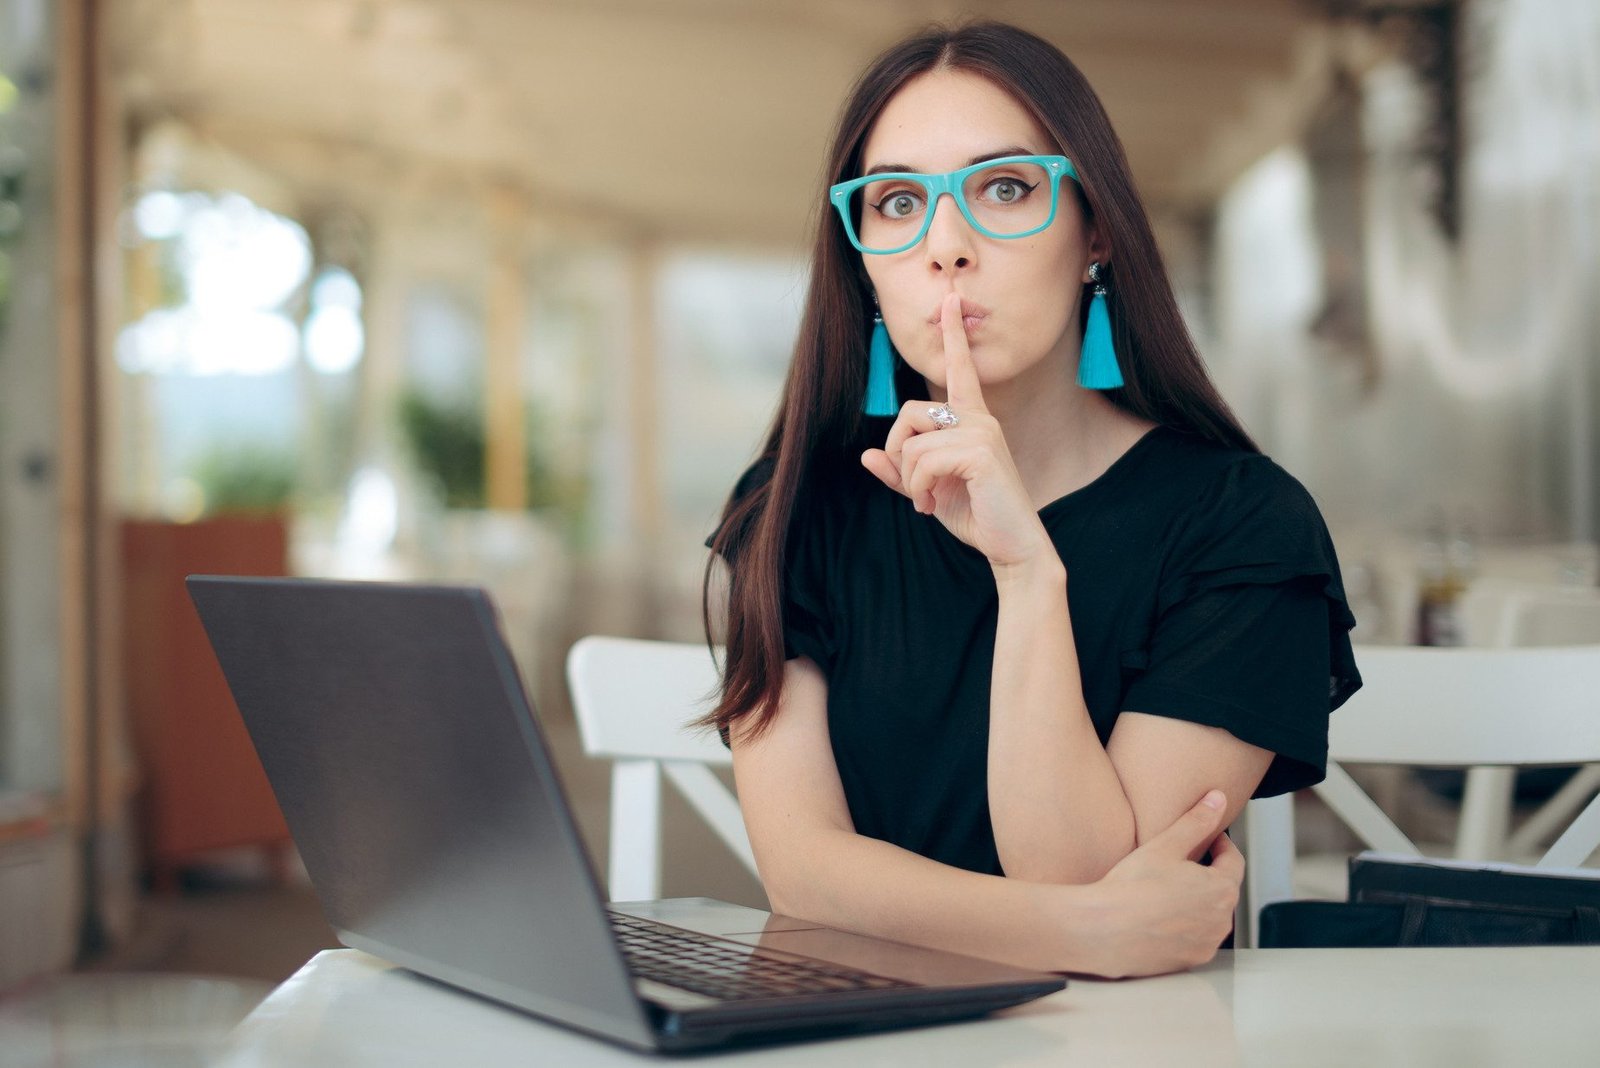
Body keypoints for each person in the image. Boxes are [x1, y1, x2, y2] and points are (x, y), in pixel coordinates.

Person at [703, 21, 1361, 979]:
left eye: (1005, 188)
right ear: (862, 262)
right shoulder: (798, 504)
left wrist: (1025, 572)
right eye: (896, 203)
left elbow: (1082, 869)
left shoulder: (1242, 524)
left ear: (1096, 228)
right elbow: (805, 876)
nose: (948, 247)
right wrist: (1078, 932)